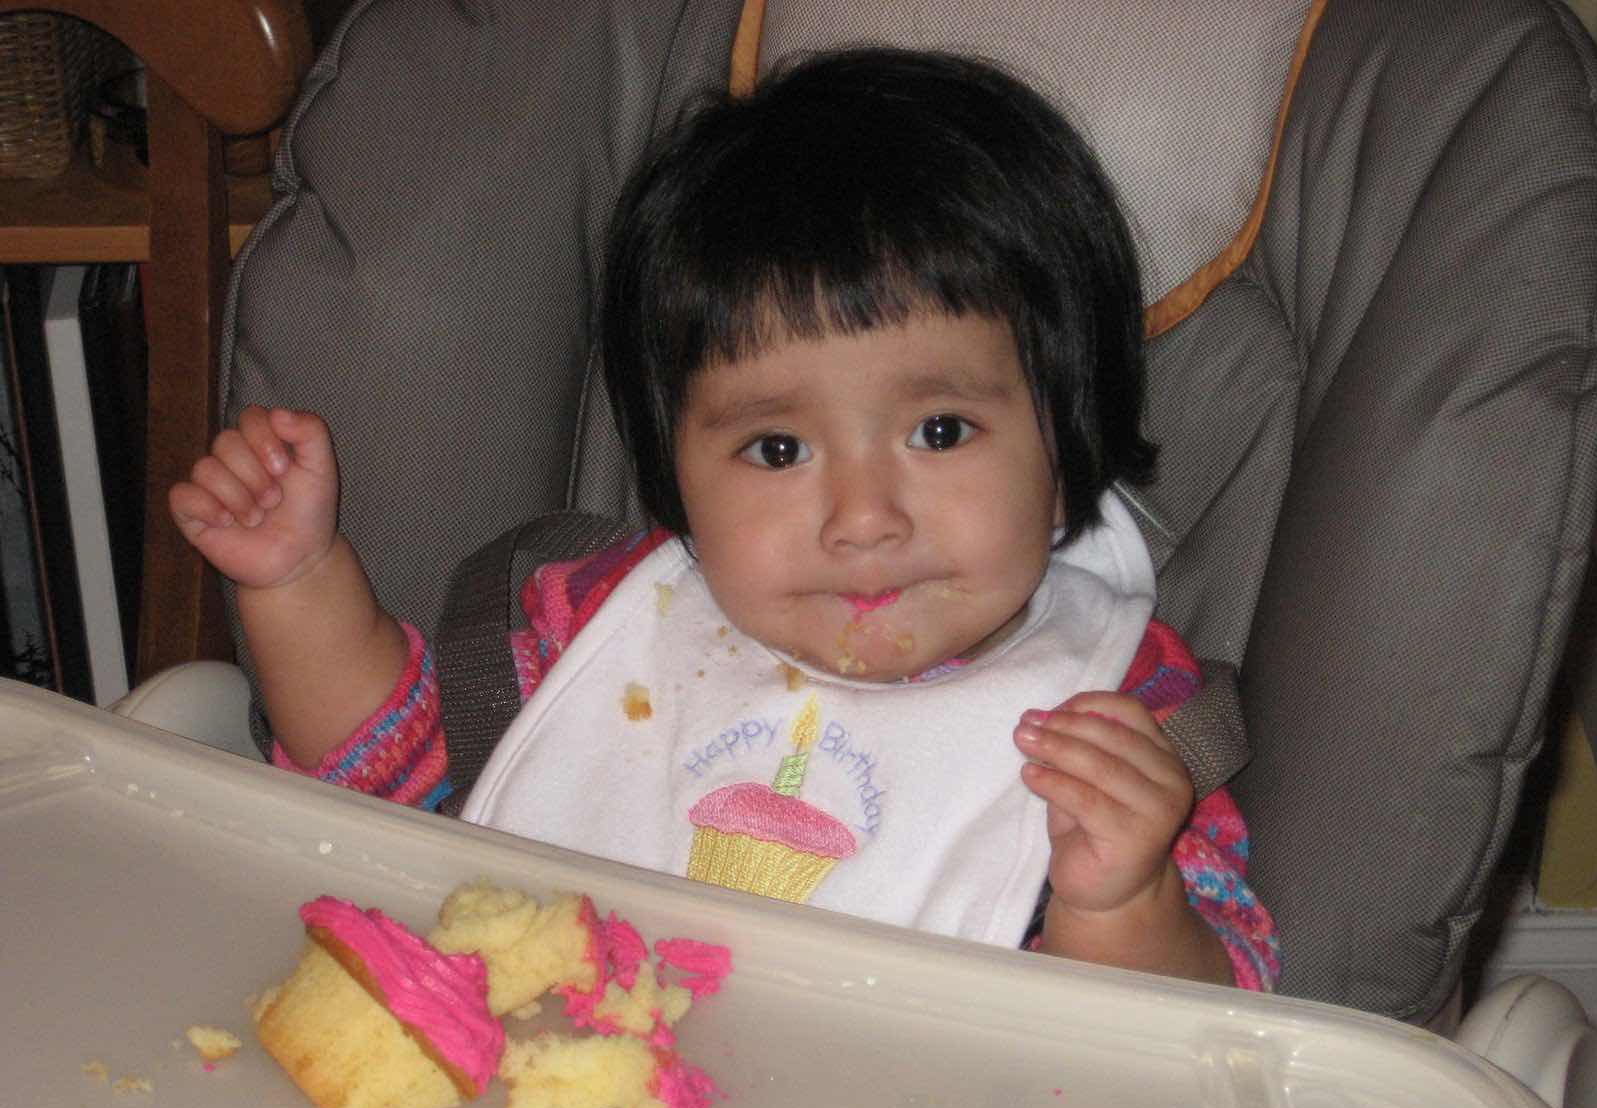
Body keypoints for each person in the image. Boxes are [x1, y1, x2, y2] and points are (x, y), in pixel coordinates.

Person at [170, 47, 1278, 990]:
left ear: (1066, 439)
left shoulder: (1121, 710)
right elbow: (392, 781)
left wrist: (1121, 900)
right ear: (677, 477)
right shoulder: (602, 626)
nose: (862, 519)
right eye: (777, 450)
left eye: (940, 431)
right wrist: (295, 580)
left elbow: (1206, 1032)